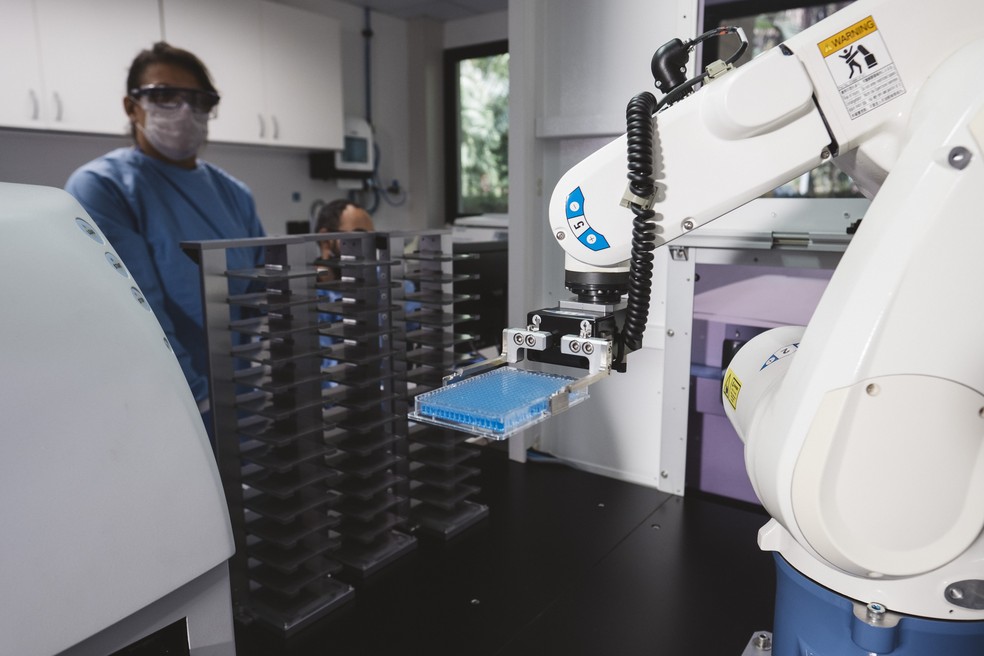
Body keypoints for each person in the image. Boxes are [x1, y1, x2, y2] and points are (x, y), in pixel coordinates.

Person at [65, 42, 266, 433]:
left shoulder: (235, 194)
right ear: (131, 107)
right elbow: (139, 314)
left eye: (199, 99)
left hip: (246, 393)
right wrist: (198, 403)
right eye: (164, 96)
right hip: (170, 405)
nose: (185, 110)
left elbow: (263, 294)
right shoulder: (103, 187)